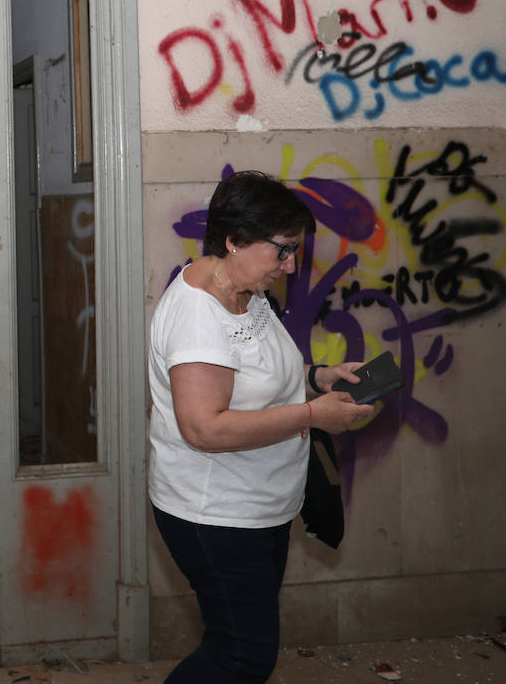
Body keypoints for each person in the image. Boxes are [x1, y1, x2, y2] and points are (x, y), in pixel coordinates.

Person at [147, 170, 376, 684]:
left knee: (237, 646)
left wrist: (319, 378)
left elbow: (262, 374)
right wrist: (315, 415)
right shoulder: (199, 318)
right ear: (234, 240)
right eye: (282, 250)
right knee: (241, 656)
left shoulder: (243, 288)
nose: (291, 264)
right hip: (216, 516)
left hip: (258, 507)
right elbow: (204, 428)